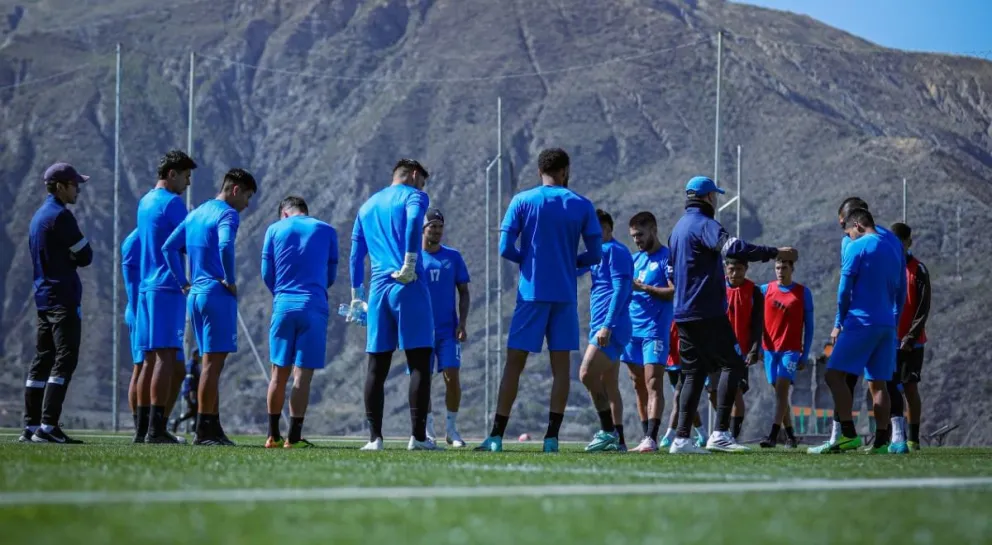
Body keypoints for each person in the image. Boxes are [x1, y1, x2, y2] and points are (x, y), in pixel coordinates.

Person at [476, 148, 602, 453]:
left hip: (531, 294)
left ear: (539, 171)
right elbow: (595, 254)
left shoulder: (522, 201)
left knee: (513, 365)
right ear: (565, 171)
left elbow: (505, 247)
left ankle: (495, 437)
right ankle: (551, 439)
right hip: (564, 296)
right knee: (561, 369)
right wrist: (573, 266)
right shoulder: (582, 205)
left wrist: (528, 262)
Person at [668, 176, 796, 454]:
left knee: (692, 373)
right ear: (707, 197)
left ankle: (681, 440)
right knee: (732, 365)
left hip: (683, 312)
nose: (716, 200)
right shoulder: (705, 224)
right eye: (714, 195)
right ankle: (721, 434)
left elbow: (670, 270)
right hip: (706, 310)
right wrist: (774, 252)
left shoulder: (678, 228)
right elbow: (733, 248)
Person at [348, 159, 439, 451]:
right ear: (413, 176)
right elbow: (414, 222)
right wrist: (410, 262)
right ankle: (418, 437)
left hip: (377, 290)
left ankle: (375, 438)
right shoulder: (414, 196)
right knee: (420, 362)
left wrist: (355, 295)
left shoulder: (367, 206)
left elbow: (354, 253)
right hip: (407, 283)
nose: (423, 188)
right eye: (422, 182)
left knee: (376, 366)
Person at [163, 168, 257, 446]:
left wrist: (184, 282)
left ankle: (212, 428)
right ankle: (204, 430)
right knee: (212, 367)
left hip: (195, 294)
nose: (247, 205)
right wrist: (229, 279)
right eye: (248, 197)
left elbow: (169, 247)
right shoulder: (227, 214)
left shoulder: (196, 212)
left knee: (208, 364)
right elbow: (226, 244)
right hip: (216, 293)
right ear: (236, 189)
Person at [814, 197, 906, 452]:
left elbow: (844, 292)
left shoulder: (857, 247)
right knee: (878, 384)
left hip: (860, 322)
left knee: (834, 375)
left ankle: (847, 434)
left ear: (856, 224)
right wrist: (894, 322)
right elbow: (903, 291)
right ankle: (881, 442)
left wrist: (839, 323)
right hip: (887, 325)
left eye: (847, 231)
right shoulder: (895, 243)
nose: (847, 236)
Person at [21, 162, 93, 444]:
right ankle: (48, 426)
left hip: (43, 297)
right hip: (63, 297)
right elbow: (85, 255)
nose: (78, 190)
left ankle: (31, 425)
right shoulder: (61, 217)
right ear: (61, 186)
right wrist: (72, 257)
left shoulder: (38, 217)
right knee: (65, 358)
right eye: (75, 184)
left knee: (43, 359)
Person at [261, 196, 338, 448]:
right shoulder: (326, 230)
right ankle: (294, 437)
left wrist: (282, 293)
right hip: (313, 305)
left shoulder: (273, 229)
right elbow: (331, 275)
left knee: (277, 374)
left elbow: (266, 274)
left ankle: (272, 435)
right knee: (302, 376)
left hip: (283, 304)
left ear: (284, 213)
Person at [135, 150, 196, 443]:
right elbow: (189, 241)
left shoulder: (144, 202)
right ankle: (157, 429)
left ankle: (142, 429)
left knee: (148, 360)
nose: (187, 183)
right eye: (185, 177)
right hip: (166, 286)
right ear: (172, 174)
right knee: (166, 357)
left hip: (146, 287)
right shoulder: (172, 204)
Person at [577, 209, 632, 452]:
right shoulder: (597, 254)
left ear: (609, 229)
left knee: (586, 374)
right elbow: (574, 267)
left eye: (600, 230)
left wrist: (607, 325)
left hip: (611, 327)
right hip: (602, 327)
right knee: (609, 384)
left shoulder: (616, 251)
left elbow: (621, 290)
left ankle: (607, 431)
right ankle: (619, 440)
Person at [621, 211, 674, 453]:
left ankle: (652, 438)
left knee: (653, 382)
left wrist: (643, 287)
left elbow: (674, 291)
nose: (637, 240)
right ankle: (645, 437)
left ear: (653, 229)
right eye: (633, 236)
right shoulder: (634, 260)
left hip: (655, 329)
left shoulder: (668, 258)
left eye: (640, 235)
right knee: (637, 384)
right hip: (632, 330)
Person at [419, 208, 471, 447]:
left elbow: (464, 292)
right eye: (433, 227)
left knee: (452, 377)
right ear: (423, 229)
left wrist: (462, 323)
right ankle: (428, 431)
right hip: (420, 330)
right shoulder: (414, 258)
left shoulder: (453, 257)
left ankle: (452, 429)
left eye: (440, 227)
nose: (437, 231)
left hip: (447, 331)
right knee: (423, 380)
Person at [758, 258, 813, 449]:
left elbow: (810, 326)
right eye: (777, 267)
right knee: (779, 394)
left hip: (791, 350)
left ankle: (773, 435)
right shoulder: (765, 290)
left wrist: (804, 354)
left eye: (784, 268)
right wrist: (756, 348)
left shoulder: (803, 293)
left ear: (792, 269)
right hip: (769, 350)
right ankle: (790, 436)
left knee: (782, 390)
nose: (780, 271)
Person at [889, 222, 930, 453]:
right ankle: (891, 437)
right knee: (887, 389)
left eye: (901, 243)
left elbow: (923, 308)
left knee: (910, 389)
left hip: (912, 343)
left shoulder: (919, 270)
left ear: (908, 243)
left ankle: (913, 439)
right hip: (888, 340)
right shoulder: (886, 268)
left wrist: (911, 336)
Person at [724, 257, 763, 441]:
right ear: (726, 269)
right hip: (716, 350)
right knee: (714, 393)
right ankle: (722, 431)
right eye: (732, 269)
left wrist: (754, 349)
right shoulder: (716, 288)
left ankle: (733, 436)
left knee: (736, 391)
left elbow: (757, 325)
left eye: (739, 269)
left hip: (741, 352)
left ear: (746, 269)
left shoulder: (754, 291)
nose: (735, 273)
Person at [170, 349, 200, 434]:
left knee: (194, 411)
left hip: (193, 392)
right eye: (198, 355)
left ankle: (193, 428)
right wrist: (192, 392)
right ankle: (177, 421)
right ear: (195, 355)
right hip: (190, 392)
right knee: (193, 411)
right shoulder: (191, 365)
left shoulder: (195, 365)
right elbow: (189, 380)